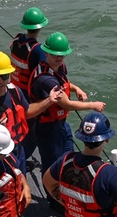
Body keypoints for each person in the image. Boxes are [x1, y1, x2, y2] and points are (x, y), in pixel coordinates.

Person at [0, 51, 62, 176]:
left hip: (18, 150)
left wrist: (49, 100)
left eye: (5, 76)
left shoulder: (15, 91)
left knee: (20, 182)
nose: (1, 81)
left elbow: (27, 112)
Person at [28, 32, 105, 174]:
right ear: (46, 53)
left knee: (68, 157)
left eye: (62, 55)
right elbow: (66, 104)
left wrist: (77, 89)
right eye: (55, 55)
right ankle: (52, 195)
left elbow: (64, 83)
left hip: (61, 123)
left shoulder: (59, 67)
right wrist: (92, 105)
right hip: (47, 129)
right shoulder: (45, 79)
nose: (59, 58)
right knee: (53, 164)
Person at [9, 7, 48, 160]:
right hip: (27, 97)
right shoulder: (37, 50)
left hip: (13, 90)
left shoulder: (15, 40)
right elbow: (42, 75)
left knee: (18, 126)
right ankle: (19, 160)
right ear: (40, 27)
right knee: (31, 134)